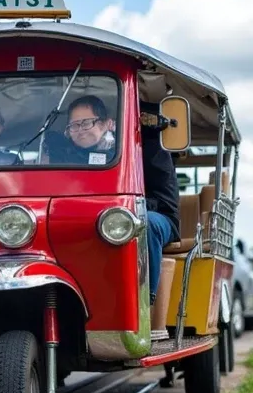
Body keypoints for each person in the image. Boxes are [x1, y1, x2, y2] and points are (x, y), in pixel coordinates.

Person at [54, 95, 180, 306]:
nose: (79, 130)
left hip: (154, 215)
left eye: (86, 123)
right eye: (73, 126)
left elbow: (162, 196)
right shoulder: (68, 156)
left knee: (143, 224)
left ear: (105, 123)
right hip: (97, 219)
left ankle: (144, 303)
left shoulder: (147, 147)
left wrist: (123, 211)